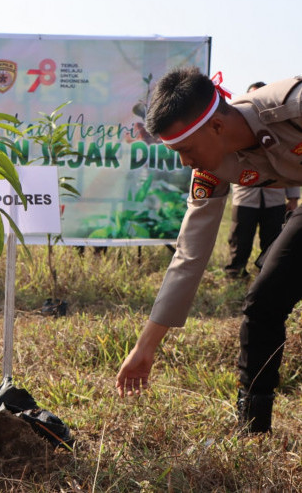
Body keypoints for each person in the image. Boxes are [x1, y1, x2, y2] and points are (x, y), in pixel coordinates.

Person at [115, 67, 302, 434]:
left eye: (185, 150)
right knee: (264, 298)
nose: (185, 162)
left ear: (216, 126)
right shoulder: (212, 166)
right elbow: (189, 253)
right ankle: (252, 430)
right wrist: (145, 348)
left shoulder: (292, 107)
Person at [224, 82, 299, 278]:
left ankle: (266, 275)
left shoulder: (277, 126)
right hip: (245, 198)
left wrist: (293, 197)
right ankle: (235, 272)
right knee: (240, 239)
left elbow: (290, 162)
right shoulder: (235, 128)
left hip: (274, 198)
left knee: (272, 239)